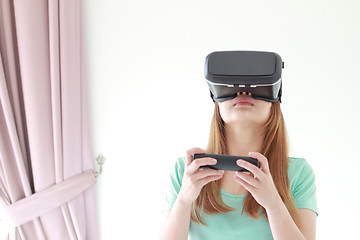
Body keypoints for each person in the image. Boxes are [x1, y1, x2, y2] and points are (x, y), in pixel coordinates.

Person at [159, 91, 318, 240]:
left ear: (274, 99)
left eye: (255, 83)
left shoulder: (298, 173)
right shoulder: (187, 170)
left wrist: (274, 204)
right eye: (231, 84)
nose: (243, 92)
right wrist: (183, 201)